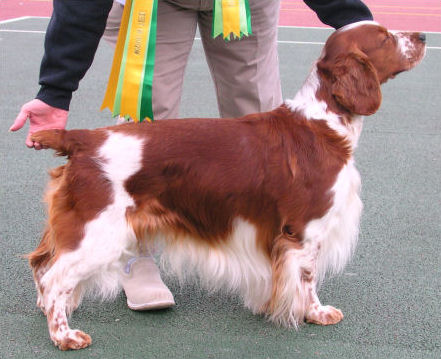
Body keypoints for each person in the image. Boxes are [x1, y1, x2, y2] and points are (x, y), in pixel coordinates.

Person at [10, 0, 373, 311]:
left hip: (243, 4)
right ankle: (134, 257)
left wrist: (355, 20)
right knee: (147, 125)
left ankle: (272, 263)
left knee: (266, 133)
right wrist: (55, 89)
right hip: (159, 5)